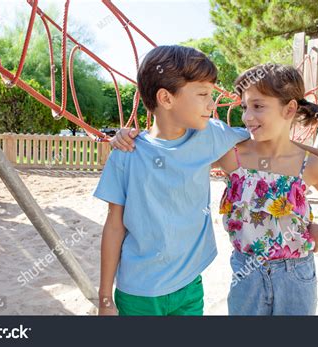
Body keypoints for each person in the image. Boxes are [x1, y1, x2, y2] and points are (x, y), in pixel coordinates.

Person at [93, 45, 250, 316]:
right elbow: (114, 227)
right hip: (138, 293)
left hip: (189, 286)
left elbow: (269, 137)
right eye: (203, 94)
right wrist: (105, 297)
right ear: (166, 98)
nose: (212, 104)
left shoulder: (210, 135)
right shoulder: (126, 153)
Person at [216, 64, 318, 315]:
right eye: (245, 107)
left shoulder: (310, 166)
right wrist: (124, 136)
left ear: (290, 108)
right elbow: (179, 149)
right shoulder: (231, 155)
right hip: (246, 272)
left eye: (258, 106)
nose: (247, 116)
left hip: (296, 275)